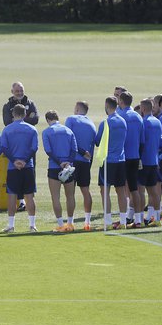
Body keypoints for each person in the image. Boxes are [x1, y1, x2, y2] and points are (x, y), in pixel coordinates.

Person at [0, 104, 39, 233]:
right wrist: (25, 161)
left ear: (13, 114)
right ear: (25, 114)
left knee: (12, 195)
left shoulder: (7, 129)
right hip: (28, 166)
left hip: (13, 167)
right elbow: (34, 148)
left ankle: (11, 225)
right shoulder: (32, 129)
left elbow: (4, 148)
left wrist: (15, 161)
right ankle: (32, 225)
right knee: (29, 196)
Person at [2, 81, 39, 212]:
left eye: (21, 90)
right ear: (12, 91)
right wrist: (26, 117)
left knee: (30, 170)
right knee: (15, 172)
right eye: (17, 91)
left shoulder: (30, 103)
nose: (19, 93)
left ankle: (27, 198)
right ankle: (21, 200)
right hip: (14, 144)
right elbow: (7, 122)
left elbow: (36, 119)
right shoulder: (7, 105)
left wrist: (18, 119)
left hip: (27, 144)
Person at [95, 96, 128, 230]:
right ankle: (123, 221)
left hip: (108, 161)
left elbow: (98, 141)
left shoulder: (106, 123)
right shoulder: (123, 121)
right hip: (121, 160)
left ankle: (108, 222)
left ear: (107, 106)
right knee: (121, 191)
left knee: (105, 191)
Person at [42, 110, 78, 233]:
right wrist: (68, 162)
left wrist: (59, 163)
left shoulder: (47, 132)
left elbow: (48, 151)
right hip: (69, 167)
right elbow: (75, 150)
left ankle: (61, 224)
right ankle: (70, 223)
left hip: (54, 167)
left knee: (55, 198)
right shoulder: (69, 131)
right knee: (70, 196)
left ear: (47, 120)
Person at [65, 101, 97, 230]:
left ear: (77, 109)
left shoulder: (71, 119)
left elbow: (69, 138)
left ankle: (70, 223)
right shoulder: (92, 124)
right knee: (85, 191)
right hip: (85, 162)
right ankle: (87, 222)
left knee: (70, 193)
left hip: (73, 160)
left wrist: (81, 152)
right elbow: (93, 146)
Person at [116, 91, 144, 228]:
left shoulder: (120, 116)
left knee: (122, 189)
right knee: (134, 188)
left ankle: (124, 218)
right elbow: (142, 140)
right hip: (135, 156)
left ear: (121, 101)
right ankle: (138, 219)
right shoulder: (138, 117)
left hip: (122, 157)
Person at [139, 98, 162, 227]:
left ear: (142, 109)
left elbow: (141, 142)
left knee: (140, 190)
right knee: (153, 192)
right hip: (154, 161)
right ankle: (157, 218)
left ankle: (141, 219)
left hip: (144, 161)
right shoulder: (158, 122)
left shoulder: (143, 123)